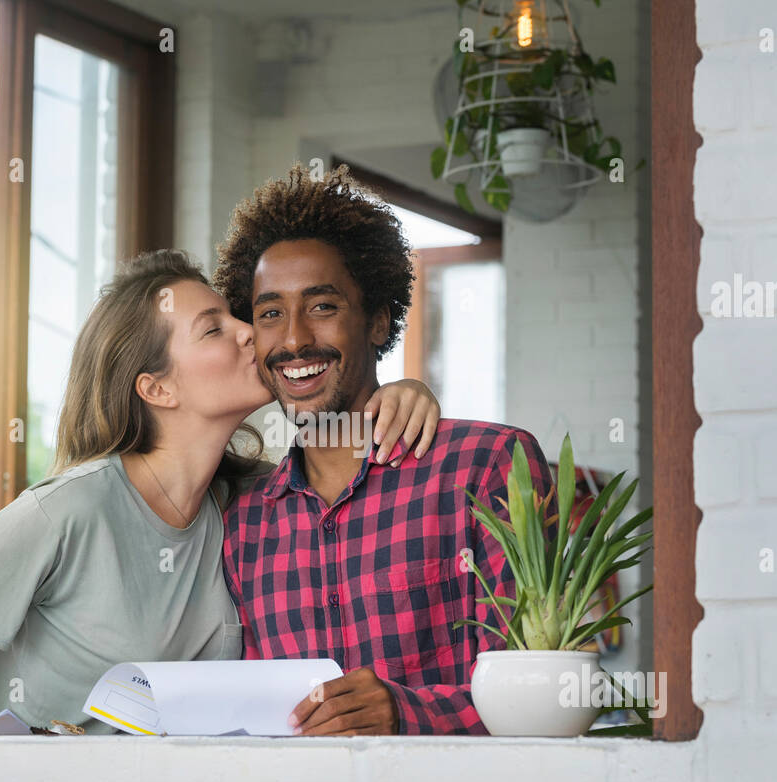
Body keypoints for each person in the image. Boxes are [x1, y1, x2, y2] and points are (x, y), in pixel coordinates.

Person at [0, 249, 441, 734]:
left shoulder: (253, 503)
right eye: (213, 329)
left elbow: (343, 460)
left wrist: (404, 392)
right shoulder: (71, 509)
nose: (250, 330)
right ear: (158, 389)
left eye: (235, 315)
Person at [214, 164, 554, 736]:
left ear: (377, 321)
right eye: (271, 313)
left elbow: (545, 687)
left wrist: (407, 713)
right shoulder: (245, 526)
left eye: (322, 307)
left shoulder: (488, 467)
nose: (294, 338)